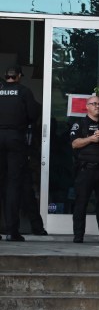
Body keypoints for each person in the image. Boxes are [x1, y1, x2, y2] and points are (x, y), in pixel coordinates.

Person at [0, 65, 39, 241]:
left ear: (5, 76)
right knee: (13, 185)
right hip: (16, 139)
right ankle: (11, 231)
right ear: (19, 76)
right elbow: (32, 115)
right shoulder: (24, 92)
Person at [69, 96, 99, 243]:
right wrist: (90, 139)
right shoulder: (80, 124)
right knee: (81, 203)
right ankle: (78, 235)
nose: (97, 106)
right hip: (85, 170)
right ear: (87, 106)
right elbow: (74, 144)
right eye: (94, 104)